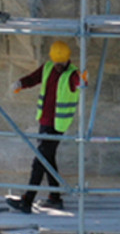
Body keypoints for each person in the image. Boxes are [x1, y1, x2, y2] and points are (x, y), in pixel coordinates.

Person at [5, 41, 83, 213]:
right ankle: (55, 197)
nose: (58, 66)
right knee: (48, 159)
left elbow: (78, 82)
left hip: (57, 125)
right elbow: (34, 78)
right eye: (57, 63)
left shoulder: (72, 74)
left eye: (61, 64)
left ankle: (27, 200)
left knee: (39, 161)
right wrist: (20, 83)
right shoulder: (48, 67)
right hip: (45, 122)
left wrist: (82, 81)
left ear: (67, 60)